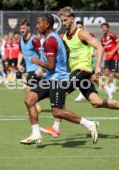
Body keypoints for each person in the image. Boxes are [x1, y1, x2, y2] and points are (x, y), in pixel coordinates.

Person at [40, 7, 119, 138]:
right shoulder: (64, 37)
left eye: (65, 20)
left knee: (60, 90)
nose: (64, 23)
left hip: (83, 69)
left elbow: (100, 47)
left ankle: (56, 127)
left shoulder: (81, 33)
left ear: (72, 19)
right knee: (96, 102)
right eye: (62, 20)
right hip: (78, 72)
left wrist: (98, 67)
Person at [19, 14, 99, 145]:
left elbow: (51, 65)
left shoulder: (50, 40)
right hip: (50, 78)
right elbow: (66, 50)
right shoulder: (55, 37)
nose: (37, 25)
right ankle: (36, 134)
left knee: (57, 112)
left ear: (47, 25)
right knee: (29, 99)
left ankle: (90, 124)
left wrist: (36, 61)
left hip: (58, 80)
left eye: (39, 23)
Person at [73, 21, 108, 102]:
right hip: (81, 61)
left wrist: (94, 53)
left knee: (84, 78)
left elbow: (98, 46)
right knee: (91, 78)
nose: (79, 29)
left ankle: (81, 95)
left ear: (83, 27)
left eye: (80, 27)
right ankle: (107, 89)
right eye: (77, 27)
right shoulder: (76, 36)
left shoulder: (88, 34)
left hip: (88, 61)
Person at [17, 19, 42, 112]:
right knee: (41, 89)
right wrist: (18, 64)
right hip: (29, 68)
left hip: (36, 68)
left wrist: (41, 68)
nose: (22, 30)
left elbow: (42, 53)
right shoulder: (21, 40)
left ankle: (35, 105)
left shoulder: (34, 39)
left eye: (24, 28)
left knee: (27, 87)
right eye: (20, 28)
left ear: (28, 28)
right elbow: (21, 52)